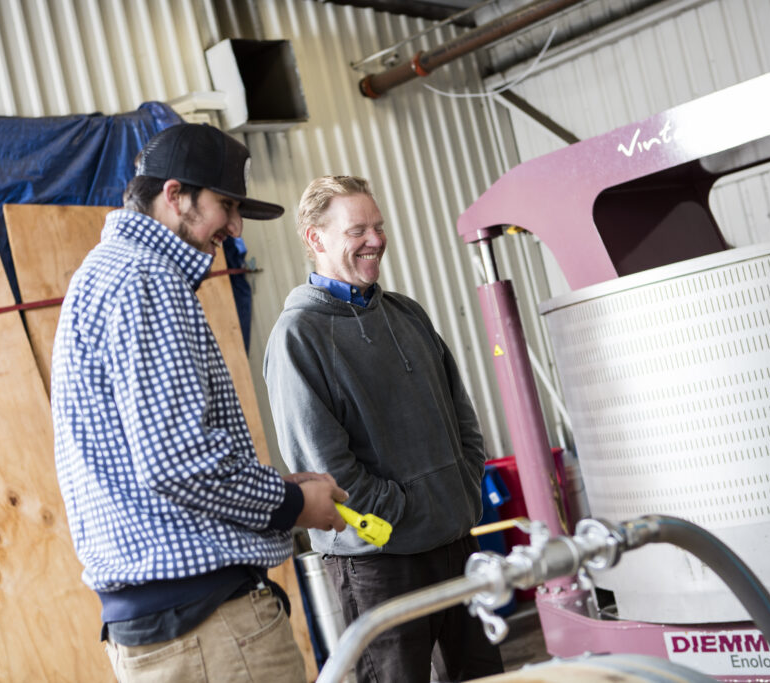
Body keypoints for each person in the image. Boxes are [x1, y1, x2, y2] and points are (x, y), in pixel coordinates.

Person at [51, 123, 349, 683]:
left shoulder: (103, 274)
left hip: (166, 629)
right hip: (206, 631)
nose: (235, 228)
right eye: (226, 206)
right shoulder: (147, 280)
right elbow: (179, 460)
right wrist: (293, 506)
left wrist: (283, 492)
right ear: (174, 195)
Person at [263, 175, 505, 682]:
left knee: (486, 676)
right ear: (315, 238)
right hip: (379, 562)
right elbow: (326, 467)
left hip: (454, 543)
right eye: (357, 230)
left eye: (378, 226)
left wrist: (460, 489)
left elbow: (462, 415)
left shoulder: (406, 314)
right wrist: (406, 513)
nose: (375, 239)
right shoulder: (298, 336)